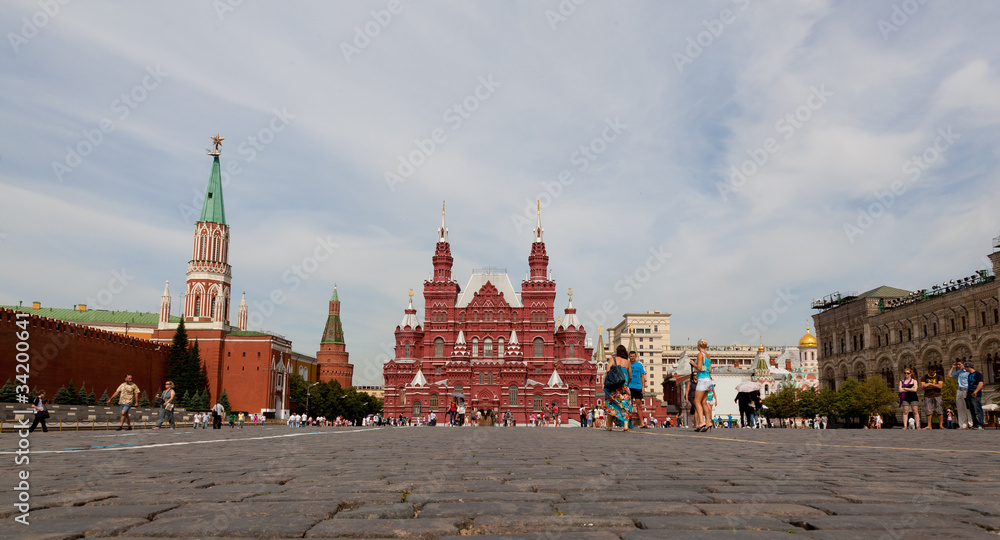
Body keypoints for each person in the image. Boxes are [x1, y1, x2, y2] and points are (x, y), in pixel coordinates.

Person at [604, 345, 633, 432]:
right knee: (625, 405)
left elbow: (608, 370)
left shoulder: (613, 360)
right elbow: (630, 376)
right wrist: (627, 383)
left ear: (617, 351)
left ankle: (609, 426)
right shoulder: (628, 362)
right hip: (624, 386)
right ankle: (625, 425)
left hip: (613, 386)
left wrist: (604, 383)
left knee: (611, 405)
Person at [693, 339, 713, 432]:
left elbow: (699, 367)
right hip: (708, 379)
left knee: (697, 401)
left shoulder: (700, 354)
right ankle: (708, 422)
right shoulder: (708, 356)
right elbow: (709, 370)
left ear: (698, 345)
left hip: (702, 380)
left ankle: (702, 422)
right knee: (704, 402)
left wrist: (693, 363)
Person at [950, 360, 972, 429]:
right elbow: (950, 376)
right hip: (959, 390)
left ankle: (971, 424)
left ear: (963, 364)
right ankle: (963, 425)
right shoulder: (959, 372)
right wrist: (952, 368)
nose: (958, 366)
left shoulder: (968, 372)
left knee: (967, 408)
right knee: (960, 408)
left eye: (959, 365)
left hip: (966, 390)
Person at [628, 351, 647, 427]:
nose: (632, 357)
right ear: (629, 357)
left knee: (639, 406)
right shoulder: (627, 364)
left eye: (633, 356)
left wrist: (643, 387)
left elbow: (642, 376)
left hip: (638, 387)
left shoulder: (639, 365)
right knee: (630, 405)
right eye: (631, 356)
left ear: (635, 357)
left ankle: (642, 423)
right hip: (629, 387)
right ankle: (628, 422)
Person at [965, 361, 985, 429]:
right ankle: (975, 424)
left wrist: (975, 391)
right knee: (972, 410)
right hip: (969, 393)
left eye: (965, 367)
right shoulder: (969, 375)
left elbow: (981, 383)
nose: (965, 369)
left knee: (977, 409)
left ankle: (980, 424)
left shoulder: (977, 374)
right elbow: (969, 384)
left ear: (969, 366)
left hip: (975, 394)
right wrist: (967, 392)